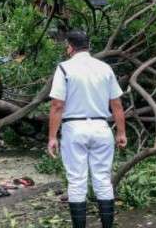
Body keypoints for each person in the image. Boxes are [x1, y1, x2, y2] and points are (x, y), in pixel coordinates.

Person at [46, 30, 127, 228]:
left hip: (74, 128)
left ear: (70, 47)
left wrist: (52, 137)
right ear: (88, 46)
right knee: (102, 180)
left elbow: (57, 105)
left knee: (76, 181)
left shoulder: (64, 68)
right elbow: (116, 104)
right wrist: (121, 132)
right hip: (101, 127)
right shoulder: (105, 68)